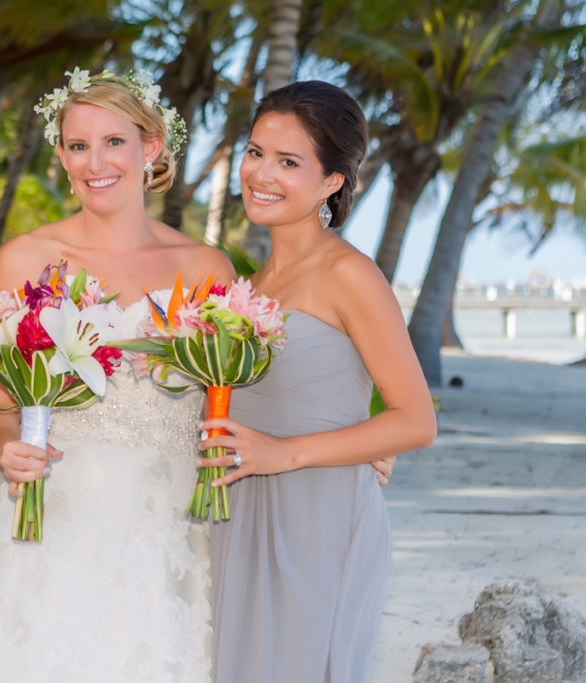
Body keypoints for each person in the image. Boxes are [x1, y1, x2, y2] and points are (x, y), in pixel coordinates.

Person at [0, 69, 236, 682]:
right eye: (78, 145)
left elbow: (236, 399)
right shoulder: (27, 259)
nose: (96, 162)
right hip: (47, 515)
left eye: (115, 142)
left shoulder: (204, 267)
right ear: (61, 155)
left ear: (152, 147)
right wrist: (6, 449)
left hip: (170, 526)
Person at [204, 80, 438, 682]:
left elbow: (415, 420)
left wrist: (288, 452)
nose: (261, 173)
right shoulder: (246, 289)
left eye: (289, 162)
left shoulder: (349, 274)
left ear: (332, 181)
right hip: (235, 510)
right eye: (256, 152)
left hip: (316, 517)